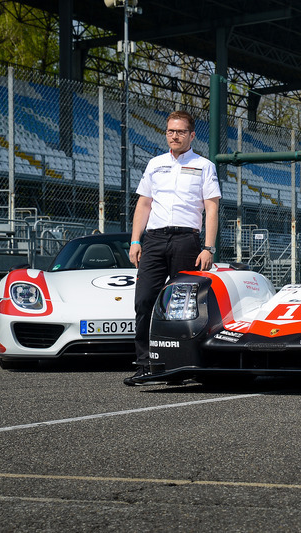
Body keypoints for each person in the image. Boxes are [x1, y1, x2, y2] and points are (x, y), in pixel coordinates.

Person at [124, 110, 221, 386]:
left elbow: (212, 209)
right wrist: (135, 240)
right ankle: (145, 365)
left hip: (186, 241)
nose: (174, 136)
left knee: (182, 305)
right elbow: (144, 204)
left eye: (180, 132)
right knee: (143, 301)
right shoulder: (155, 164)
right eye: (170, 131)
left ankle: (180, 366)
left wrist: (208, 247)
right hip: (153, 241)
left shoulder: (205, 165)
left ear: (192, 135)